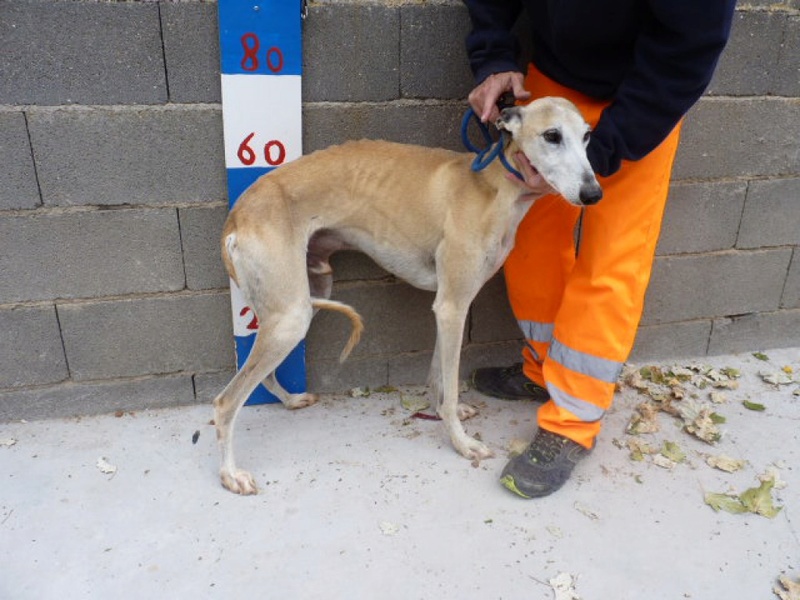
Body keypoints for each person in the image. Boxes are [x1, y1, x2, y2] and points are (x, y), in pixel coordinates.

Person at [464, 0, 737, 498]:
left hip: (644, 97)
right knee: (527, 239)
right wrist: (494, 56)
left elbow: (689, 47)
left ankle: (571, 422)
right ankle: (543, 369)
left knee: (614, 261)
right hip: (554, 83)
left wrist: (601, 151)